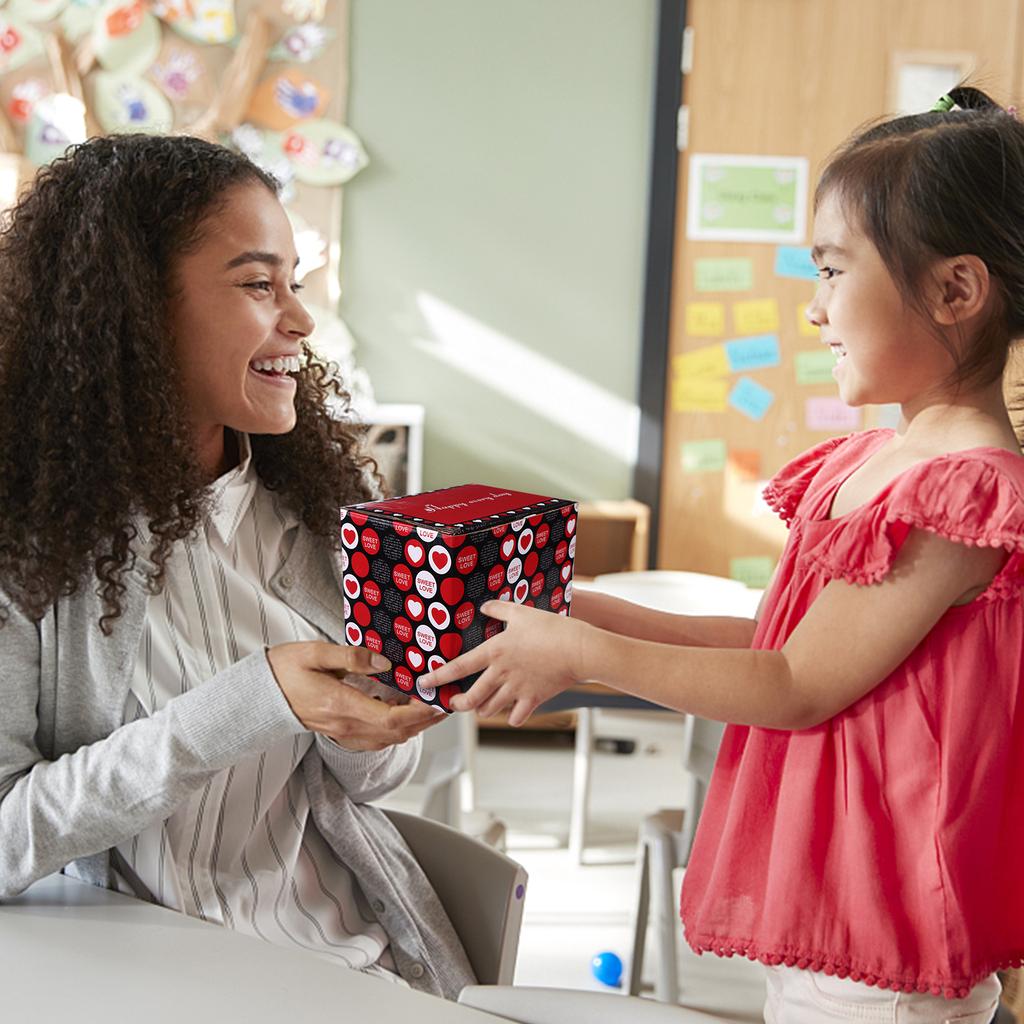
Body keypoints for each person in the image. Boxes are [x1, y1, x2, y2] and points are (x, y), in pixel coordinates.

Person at [423, 85, 1024, 1022]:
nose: (815, 309)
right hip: (832, 894)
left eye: (833, 271)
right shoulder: (878, 459)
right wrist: (586, 609)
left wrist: (583, 655)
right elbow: (777, 641)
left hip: (886, 922)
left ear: (956, 289)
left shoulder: (961, 494)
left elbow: (796, 684)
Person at [0, 133, 476, 1000]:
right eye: (259, 284)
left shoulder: (324, 507)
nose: (298, 319)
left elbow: (377, 785)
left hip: (339, 968)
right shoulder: (28, 540)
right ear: (136, 309)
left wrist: (374, 722)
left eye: (294, 282)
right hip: (119, 985)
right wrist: (254, 700)